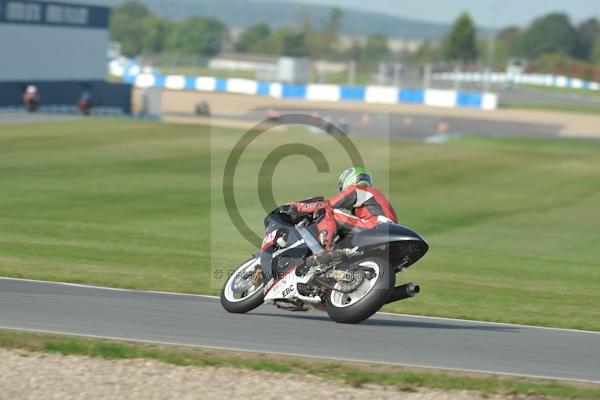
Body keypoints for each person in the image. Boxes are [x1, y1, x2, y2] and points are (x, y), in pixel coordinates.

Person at [284, 167, 398, 269]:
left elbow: (327, 205)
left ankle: (325, 251)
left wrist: (298, 207)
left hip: (375, 226)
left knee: (326, 210)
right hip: (385, 231)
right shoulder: (373, 197)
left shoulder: (359, 188)